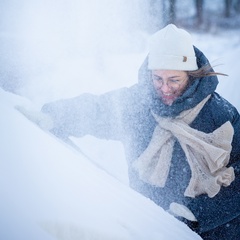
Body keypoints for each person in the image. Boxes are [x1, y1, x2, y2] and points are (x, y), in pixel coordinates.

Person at [36, 24, 240, 239]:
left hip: (214, 233)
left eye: (174, 80)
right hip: (150, 229)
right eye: (157, 79)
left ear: (190, 75)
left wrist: (198, 214)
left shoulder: (220, 115)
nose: (164, 88)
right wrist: (55, 114)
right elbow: (96, 110)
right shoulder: (138, 105)